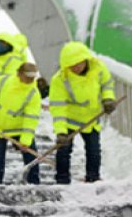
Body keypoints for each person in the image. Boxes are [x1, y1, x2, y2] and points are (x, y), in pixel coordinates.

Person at [49, 41, 117, 184]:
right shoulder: (60, 79)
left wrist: (108, 99)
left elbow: (107, 85)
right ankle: (62, 180)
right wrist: (61, 131)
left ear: (85, 59)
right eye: (71, 64)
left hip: (91, 118)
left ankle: (93, 178)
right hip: (69, 119)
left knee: (93, 150)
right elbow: (58, 107)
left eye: (78, 63)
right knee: (64, 150)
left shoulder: (98, 68)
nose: (76, 67)